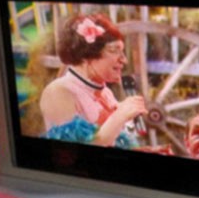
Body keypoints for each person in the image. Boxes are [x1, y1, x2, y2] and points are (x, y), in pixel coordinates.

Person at [39, 13, 147, 148]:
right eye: (114, 50)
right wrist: (119, 117)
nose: (124, 60)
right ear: (86, 55)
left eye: (122, 51)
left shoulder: (105, 92)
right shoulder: (58, 92)